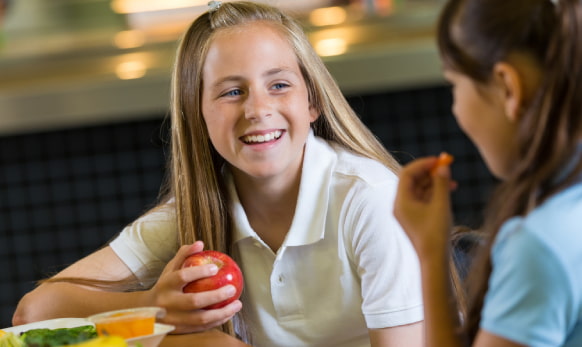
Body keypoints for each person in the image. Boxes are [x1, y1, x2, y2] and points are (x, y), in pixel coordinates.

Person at [13, 1, 424, 346]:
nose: (257, 109)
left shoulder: (369, 198)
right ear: (198, 116)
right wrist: (153, 306)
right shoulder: (197, 213)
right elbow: (34, 312)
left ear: (312, 102)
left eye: (279, 85)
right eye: (231, 92)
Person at [393, 0, 582, 346]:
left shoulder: (539, 246)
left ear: (508, 87)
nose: (456, 107)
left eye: (454, 85)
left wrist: (430, 255)